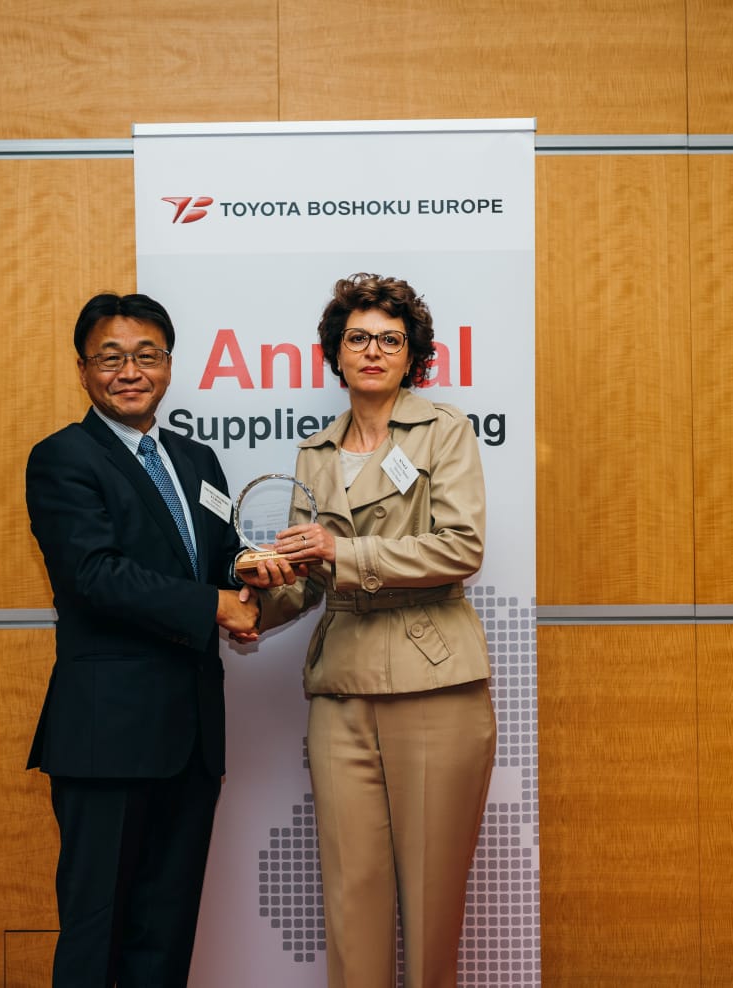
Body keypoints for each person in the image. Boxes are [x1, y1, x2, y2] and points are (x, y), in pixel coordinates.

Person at [240, 273, 496, 988]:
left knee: (432, 911)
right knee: (350, 908)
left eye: (391, 339)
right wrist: (261, 599)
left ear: (412, 356)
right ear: (337, 353)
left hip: (435, 685)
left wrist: (337, 551)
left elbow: (460, 549)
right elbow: (313, 579)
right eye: (359, 338)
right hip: (340, 687)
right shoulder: (315, 453)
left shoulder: (444, 429)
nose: (374, 350)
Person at [25, 291, 260, 988]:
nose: (131, 370)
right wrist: (214, 606)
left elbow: (215, 561)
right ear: (83, 369)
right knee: (97, 939)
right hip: (107, 740)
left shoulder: (197, 460)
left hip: (190, 740)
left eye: (146, 355)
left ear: (168, 363)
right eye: (111, 357)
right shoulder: (63, 459)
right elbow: (95, 575)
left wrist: (252, 574)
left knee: (165, 940)